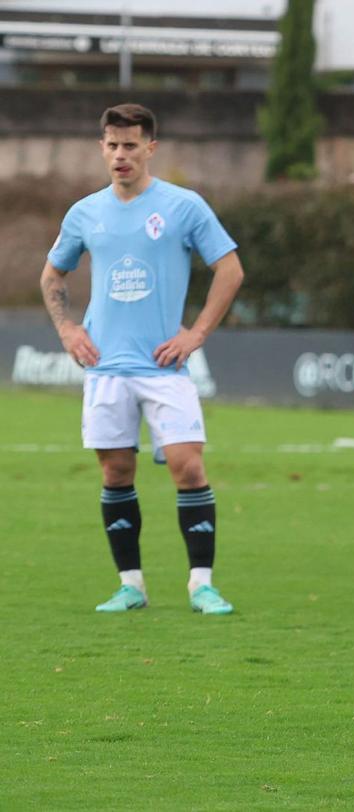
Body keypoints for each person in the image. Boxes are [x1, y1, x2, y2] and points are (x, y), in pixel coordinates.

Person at [39, 103, 244, 614]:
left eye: (130, 145)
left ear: (150, 148)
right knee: (115, 474)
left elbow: (230, 270)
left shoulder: (183, 206)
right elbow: (52, 276)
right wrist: (67, 329)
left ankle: (202, 584)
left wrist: (195, 333)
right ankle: (131, 585)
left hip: (164, 367)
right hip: (105, 368)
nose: (120, 155)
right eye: (111, 145)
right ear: (101, 148)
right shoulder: (85, 212)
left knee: (188, 466)